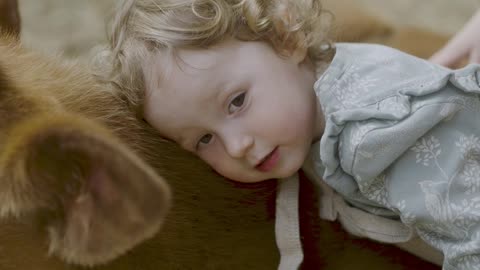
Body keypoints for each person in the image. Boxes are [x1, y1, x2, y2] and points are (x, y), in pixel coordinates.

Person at [96, 0, 480, 269]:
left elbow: (473, 236)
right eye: (203, 140)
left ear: (285, 38)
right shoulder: (312, 86)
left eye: (236, 102)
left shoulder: (376, 137)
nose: (236, 145)